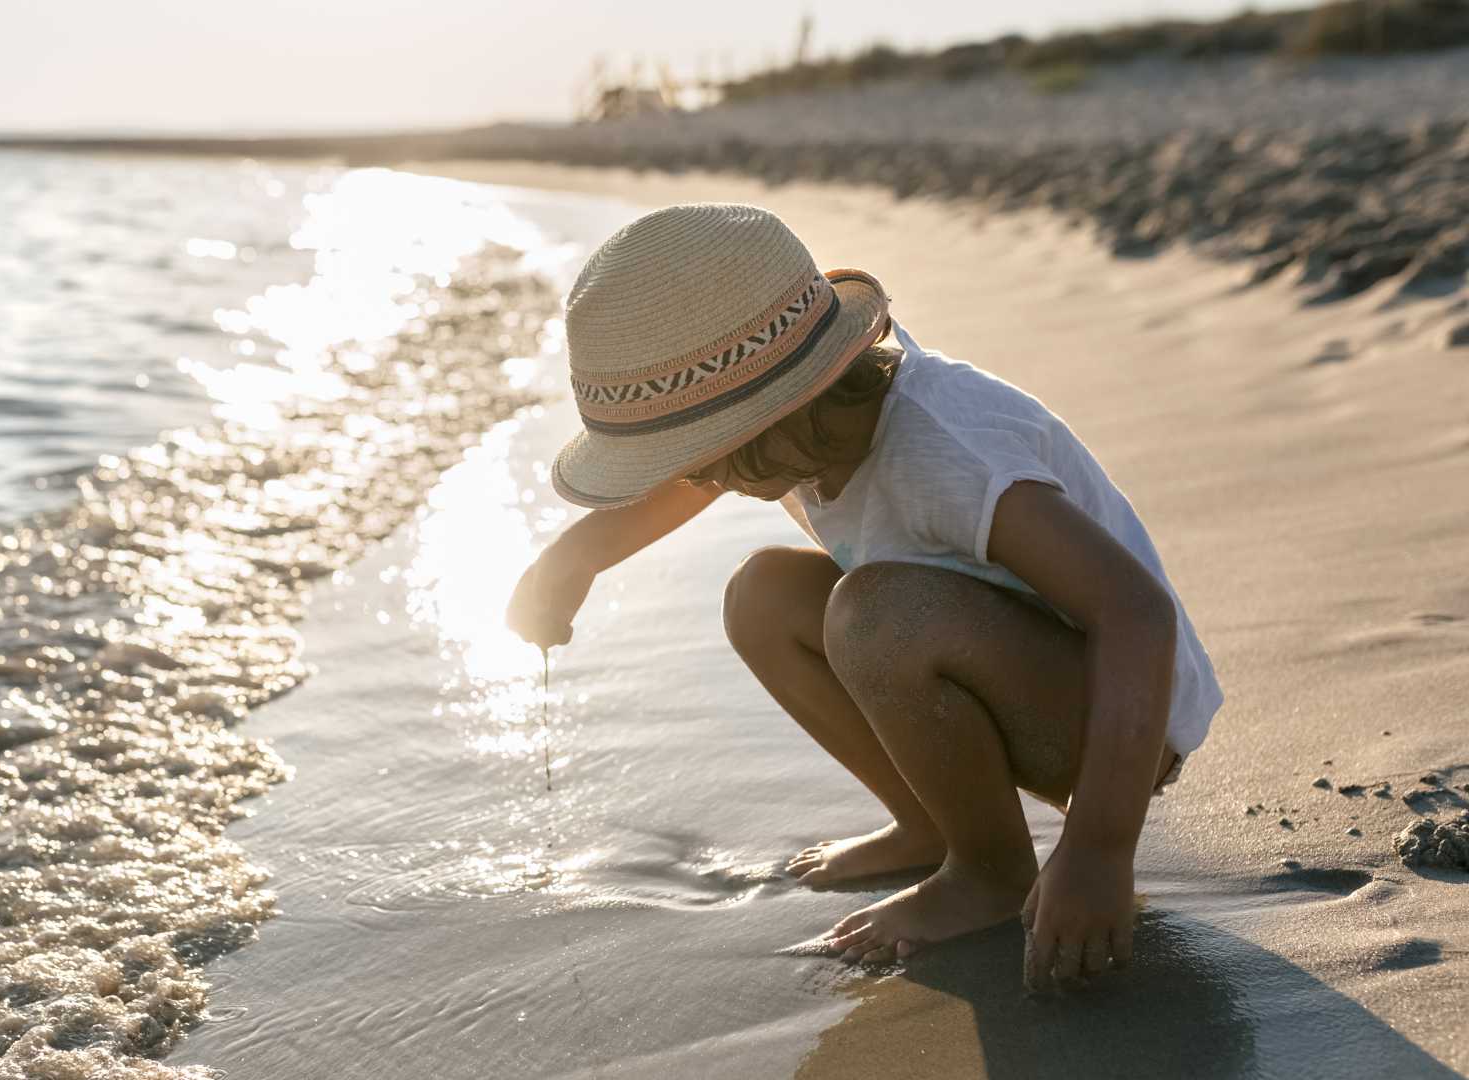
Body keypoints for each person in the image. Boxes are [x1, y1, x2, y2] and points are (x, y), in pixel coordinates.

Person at [504, 203, 1222, 990]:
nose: (696, 479)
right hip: (994, 673)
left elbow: (1135, 612)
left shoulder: (947, 453)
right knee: (764, 595)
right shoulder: (818, 419)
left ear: (769, 418)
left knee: (871, 612)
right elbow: (694, 482)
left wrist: (1099, 850)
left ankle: (990, 872)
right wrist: (573, 560)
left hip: (1117, 729)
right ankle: (930, 824)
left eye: (700, 461)